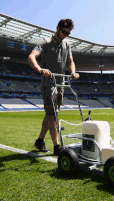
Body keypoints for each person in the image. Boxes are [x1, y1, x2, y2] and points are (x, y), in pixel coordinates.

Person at [27, 18, 80, 156]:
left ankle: (39, 141)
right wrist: (40, 70)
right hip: (48, 83)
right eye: (63, 32)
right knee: (52, 115)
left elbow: (70, 61)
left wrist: (73, 72)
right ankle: (57, 146)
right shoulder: (45, 42)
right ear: (57, 28)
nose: (65, 35)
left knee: (52, 113)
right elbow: (31, 57)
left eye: (68, 33)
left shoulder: (67, 44)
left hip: (61, 83)